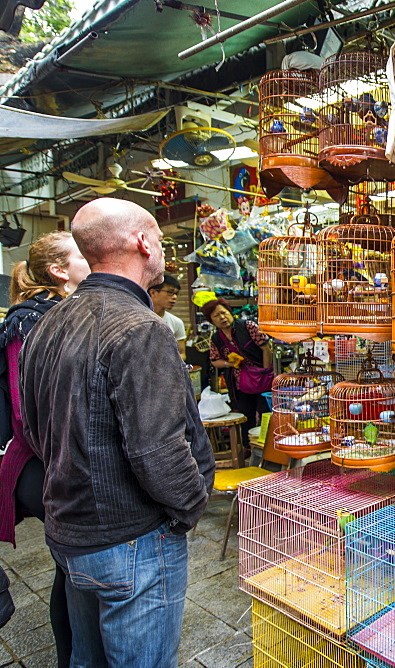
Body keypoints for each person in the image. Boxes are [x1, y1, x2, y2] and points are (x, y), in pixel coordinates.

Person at [18, 198, 215, 668]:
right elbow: (158, 451)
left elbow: (34, 424)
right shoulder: (139, 327)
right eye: (161, 239)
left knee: (87, 660)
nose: (164, 249)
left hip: (71, 533)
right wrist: (189, 508)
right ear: (143, 243)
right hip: (131, 541)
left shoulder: (46, 323)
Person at [0, 231, 90, 667]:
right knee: (71, 569)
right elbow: (27, 414)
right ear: (59, 270)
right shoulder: (28, 322)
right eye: (81, 254)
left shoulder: (64, 313)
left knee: (71, 569)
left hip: (61, 461)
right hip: (40, 466)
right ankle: (72, 657)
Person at [204, 298, 273, 449]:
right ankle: (248, 448)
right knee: (245, 414)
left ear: (230, 312)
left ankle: (268, 448)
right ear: (211, 321)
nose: (222, 317)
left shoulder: (248, 326)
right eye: (216, 316)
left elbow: (266, 348)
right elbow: (215, 360)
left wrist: (265, 371)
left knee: (265, 412)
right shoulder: (216, 338)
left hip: (262, 379)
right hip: (239, 382)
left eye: (224, 313)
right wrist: (230, 364)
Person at [148, 274, 186, 360]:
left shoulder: (177, 322)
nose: (174, 297)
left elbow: (182, 353)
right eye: (170, 292)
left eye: (176, 294)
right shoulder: (138, 318)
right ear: (153, 292)